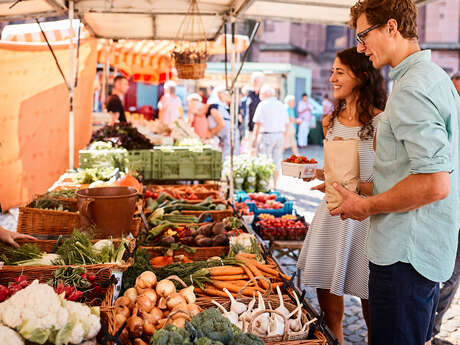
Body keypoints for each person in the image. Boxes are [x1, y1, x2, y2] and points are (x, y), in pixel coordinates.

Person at [331, 1, 460, 344]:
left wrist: (364, 207)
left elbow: (434, 183)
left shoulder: (413, 88)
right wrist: (360, 191)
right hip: (416, 253)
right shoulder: (431, 78)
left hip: (405, 257)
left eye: (363, 36)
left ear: (391, 27)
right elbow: (411, 171)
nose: (360, 47)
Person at [297, 47, 386, 345]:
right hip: (332, 217)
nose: (332, 77)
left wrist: (354, 189)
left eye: (339, 72)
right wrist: (318, 176)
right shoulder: (329, 121)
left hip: (364, 221)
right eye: (332, 70)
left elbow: (380, 183)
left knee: (372, 307)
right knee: (328, 308)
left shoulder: (380, 122)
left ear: (361, 77)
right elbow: (336, 171)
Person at [432, 71, 460, 342]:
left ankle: (433, 328)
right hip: (440, 211)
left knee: (451, 279)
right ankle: (426, 328)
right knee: (433, 274)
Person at [252, 85, 289, 189]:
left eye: (260, 95)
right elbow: (287, 123)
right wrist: (285, 139)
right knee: (276, 161)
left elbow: (257, 123)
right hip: (279, 135)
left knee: (264, 160)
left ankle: (264, 184)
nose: (259, 97)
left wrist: (254, 139)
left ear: (265, 95)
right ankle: (275, 185)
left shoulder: (263, 104)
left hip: (267, 135)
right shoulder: (281, 105)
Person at [207, 86, 240, 160]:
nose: (228, 96)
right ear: (220, 94)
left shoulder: (222, 105)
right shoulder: (214, 104)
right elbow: (221, 124)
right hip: (225, 138)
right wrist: (211, 134)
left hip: (229, 137)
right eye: (226, 94)